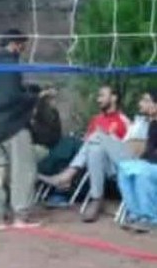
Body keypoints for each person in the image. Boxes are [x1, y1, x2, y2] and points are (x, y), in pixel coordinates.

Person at [39, 86, 150, 223]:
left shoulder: (126, 122)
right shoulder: (97, 119)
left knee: (90, 138)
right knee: (94, 148)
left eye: (102, 95)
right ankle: (95, 198)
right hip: (94, 158)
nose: (98, 99)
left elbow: (130, 150)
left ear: (114, 98)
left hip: (124, 164)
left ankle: (61, 175)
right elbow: (88, 139)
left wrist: (108, 137)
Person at [0, 29, 41, 228]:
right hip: (13, 126)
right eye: (22, 46)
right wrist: (34, 95)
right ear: (15, 44)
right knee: (23, 171)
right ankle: (21, 216)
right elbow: (10, 97)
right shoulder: (11, 64)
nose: (22, 50)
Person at [118, 89, 157, 232]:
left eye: (146, 100)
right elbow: (150, 152)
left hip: (152, 166)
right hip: (151, 164)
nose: (142, 103)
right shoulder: (152, 124)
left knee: (143, 172)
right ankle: (135, 213)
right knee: (124, 168)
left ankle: (151, 218)